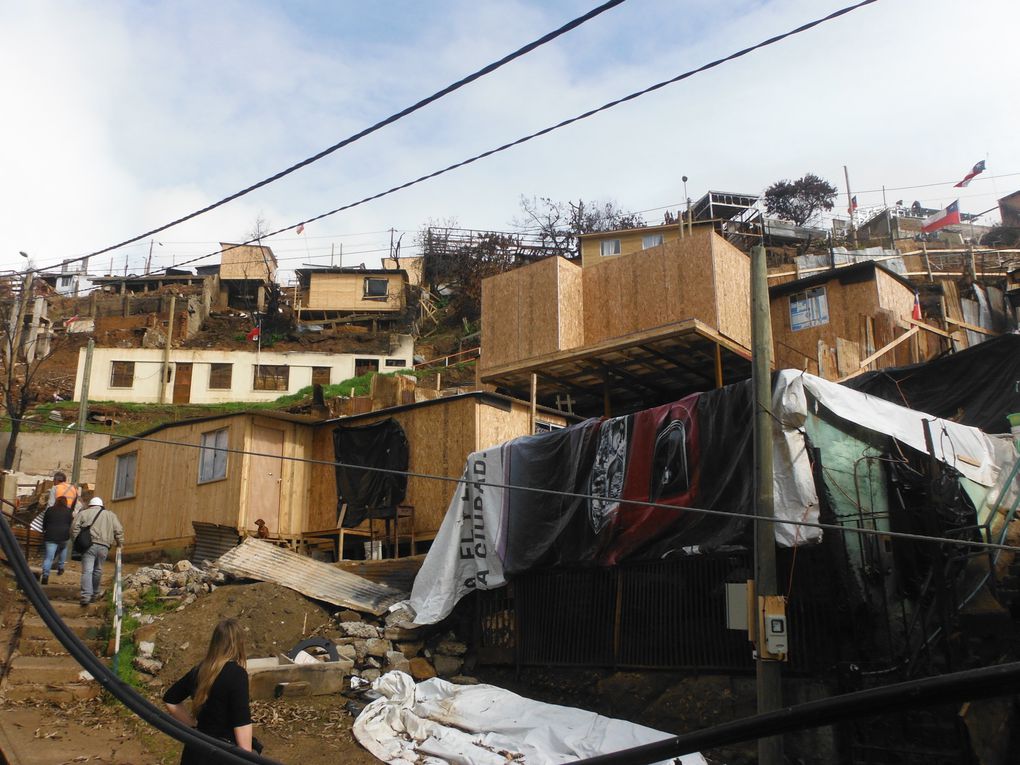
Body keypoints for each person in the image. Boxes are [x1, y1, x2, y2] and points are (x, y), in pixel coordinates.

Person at [163, 619, 257, 763]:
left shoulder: (200, 670)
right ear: (239, 643)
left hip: (196, 749)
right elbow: (241, 721)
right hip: (222, 752)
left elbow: (171, 699)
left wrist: (193, 726)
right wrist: (246, 758)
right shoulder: (237, 674)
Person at [69, 496, 124, 607]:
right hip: (104, 546)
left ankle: (85, 596)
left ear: (90, 505)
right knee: (98, 570)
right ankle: (95, 594)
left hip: (89, 545)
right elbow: (118, 530)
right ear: (101, 505)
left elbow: (74, 527)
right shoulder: (111, 515)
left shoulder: (83, 513)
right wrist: (120, 543)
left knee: (87, 571)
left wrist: (77, 540)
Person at [40, 495, 73, 585]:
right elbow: (70, 523)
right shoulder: (69, 511)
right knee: (63, 548)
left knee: (48, 558)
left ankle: (45, 576)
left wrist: (45, 530)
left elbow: (44, 523)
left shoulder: (49, 510)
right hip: (63, 535)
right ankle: (61, 567)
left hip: (50, 535)